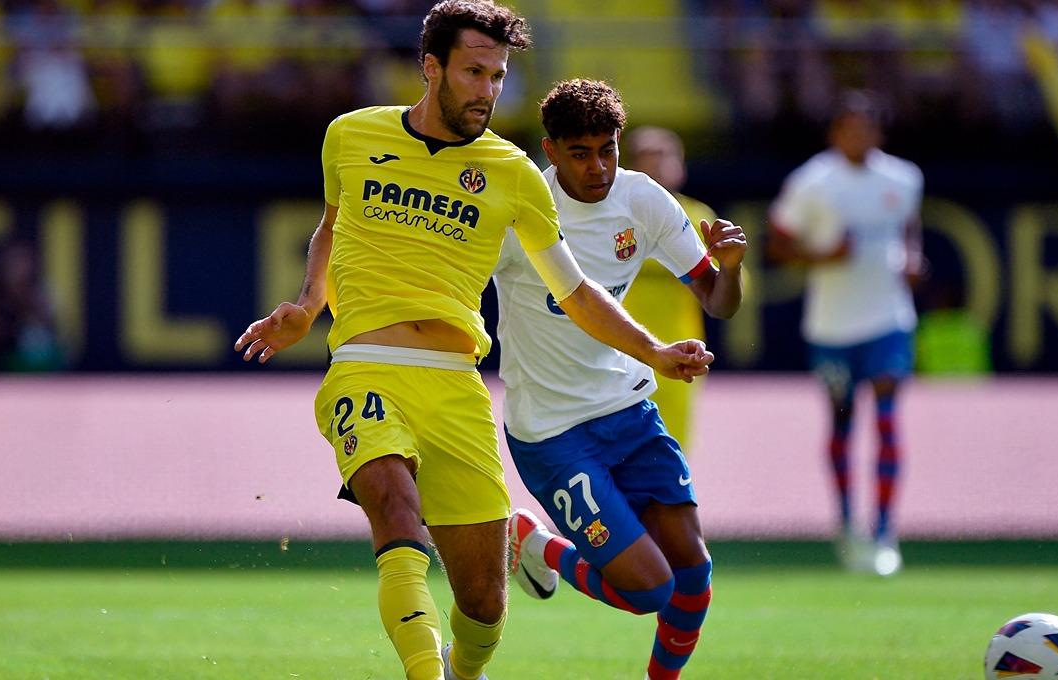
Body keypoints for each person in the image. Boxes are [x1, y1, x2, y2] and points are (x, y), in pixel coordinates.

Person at [232, 5, 713, 680]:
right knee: (396, 509)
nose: (489, 90)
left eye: (499, 75)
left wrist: (654, 353)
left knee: (484, 604)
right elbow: (332, 226)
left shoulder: (512, 173)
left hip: (457, 385)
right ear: (432, 68)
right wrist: (308, 304)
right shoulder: (351, 135)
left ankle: (465, 667)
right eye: (475, 72)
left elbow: (576, 293)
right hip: (367, 366)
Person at [495, 79, 747, 680]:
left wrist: (731, 269)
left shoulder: (643, 200)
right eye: (580, 153)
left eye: (607, 148)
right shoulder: (519, 208)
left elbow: (719, 300)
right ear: (550, 152)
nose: (598, 166)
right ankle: (537, 543)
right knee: (649, 589)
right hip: (553, 432)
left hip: (629, 412)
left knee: (693, 574)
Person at [766, 90, 923, 577]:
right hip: (832, 326)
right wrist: (823, 257)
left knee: (888, 418)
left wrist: (912, 257)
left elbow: (908, 228)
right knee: (841, 424)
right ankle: (846, 522)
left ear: (879, 132)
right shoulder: (812, 183)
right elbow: (778, 244)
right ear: (835, 133)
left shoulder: (903, 178)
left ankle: (883, 528)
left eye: (866, 127)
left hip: (889, 320)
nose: (858, 136)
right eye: (848, 127)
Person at [621, 126, 718, 457]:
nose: (658, 168)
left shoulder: (698, 217)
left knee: (672, 447)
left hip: (679, 351)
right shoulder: (613, 215)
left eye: (665, 158)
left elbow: (729, 290)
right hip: (619, 348)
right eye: (648, 160)